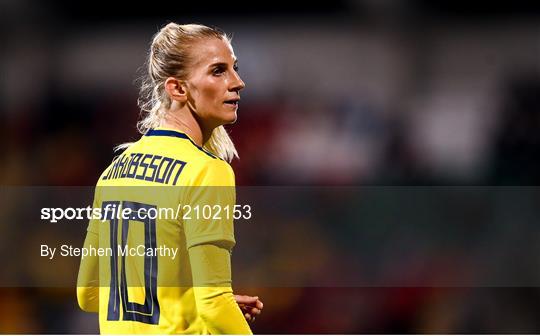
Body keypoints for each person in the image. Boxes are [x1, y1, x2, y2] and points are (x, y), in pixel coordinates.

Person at [76, 22, 263, 334]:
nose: (238, 82)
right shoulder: (206, 171)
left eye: (234, 68)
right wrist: (213, 306)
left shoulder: (113, 172)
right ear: (178, 88)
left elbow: (89, 294)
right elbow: (214, 305)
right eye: (218, 71)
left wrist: (189, 301)